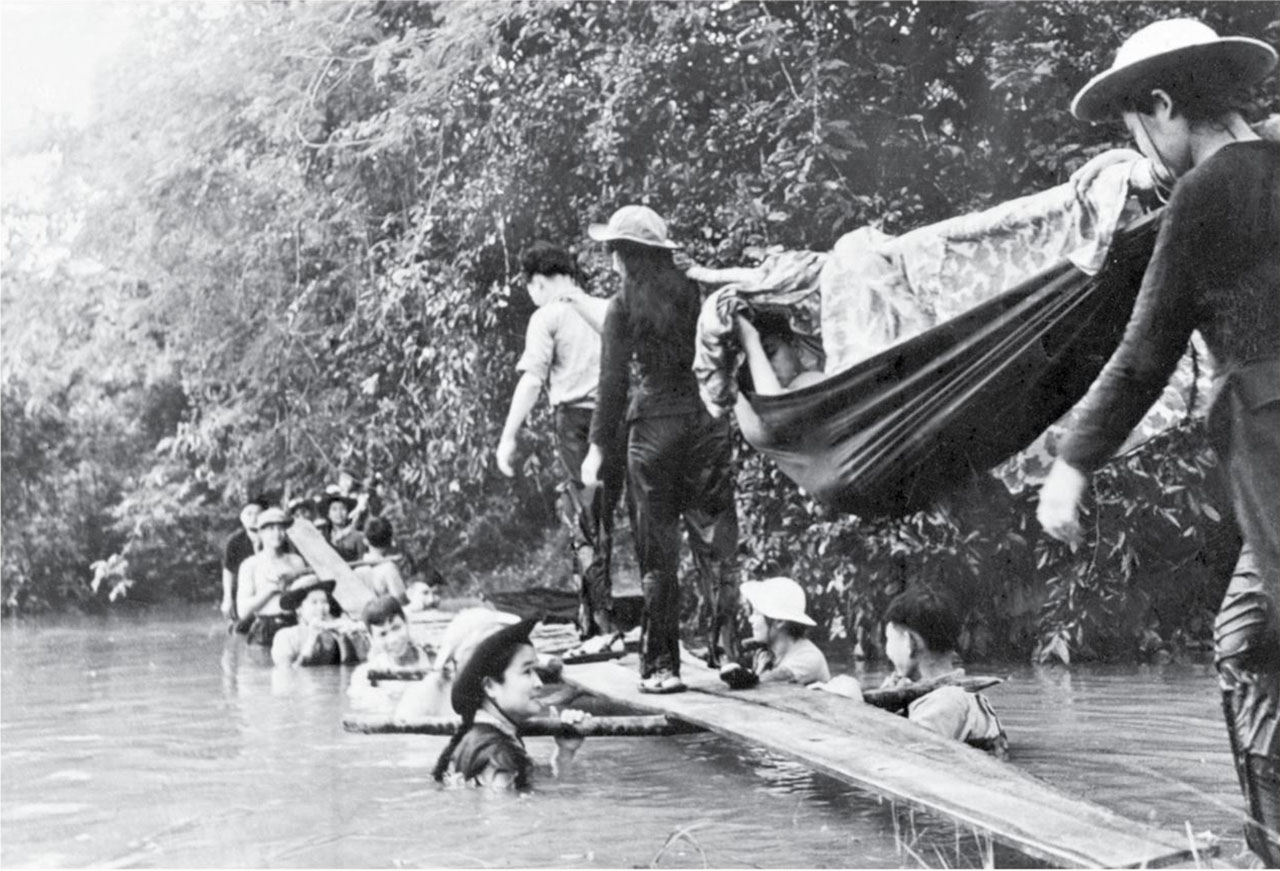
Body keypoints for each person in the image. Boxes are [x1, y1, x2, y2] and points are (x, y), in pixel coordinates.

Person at [1033, 19, 1278, 863]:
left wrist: (1071, 463)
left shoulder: (1206, 193)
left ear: (1165, 106)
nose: (1142, 150)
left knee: (1256, 645)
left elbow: (1145, 353)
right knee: (1246, 636)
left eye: (1136, 126)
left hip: (1274, 443)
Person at [582, 205, 742, 693]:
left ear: (621, 256)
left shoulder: (621, 306)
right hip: (705, 423)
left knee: (658, 556)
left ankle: (660, 668)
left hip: (653, 429)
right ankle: (729, 653)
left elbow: (612, 384)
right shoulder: (697, 292)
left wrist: (596, 450)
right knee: (716, 543)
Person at [496, 242, 625, 645]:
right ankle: (601, 618)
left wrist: (508, 436)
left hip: (575, 424)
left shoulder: (547, 316)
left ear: (538, 282)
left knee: (584, 522)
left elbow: (532, 379)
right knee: (607, 518)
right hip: (617, 419)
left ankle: (599, 626)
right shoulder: (607, 308)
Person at [820, 585, 1008, 757]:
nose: (888, 651)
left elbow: (897, 758)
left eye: (889, 639)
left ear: (909, 642)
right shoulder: (941, 694)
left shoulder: (947, 702)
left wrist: (853, 707)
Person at [432, 619, 587, 790]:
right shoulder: (497, 753)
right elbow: (507, 806)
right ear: (490, 686)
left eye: (536, 671)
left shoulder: (479, 740)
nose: (539, 683)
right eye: (526, 671)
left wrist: (564, 752)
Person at [722, 576, 830, 688]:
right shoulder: (767, 653)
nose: (750, 619)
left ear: (779, 621)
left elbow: (762, 682)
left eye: (757, 614)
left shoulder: (808, 658)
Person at [235, 507, 308, 646]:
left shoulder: (296, 561)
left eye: (281, 528)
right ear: (260, 533)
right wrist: (270, 590)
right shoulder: (250, 565)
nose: (277, 533)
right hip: (265, 630)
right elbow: (242, 611)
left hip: (294, 625)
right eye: (271, 529)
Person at [348, 596, 432, 702]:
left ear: (407, 623)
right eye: (383, 634)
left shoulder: (433, 661)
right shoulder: (366, 674)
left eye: (396, 628)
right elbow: (356, 696)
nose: (393, 640)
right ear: (372, 639)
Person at [271, 579, 368, 667]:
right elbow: (286, 672)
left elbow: (350, 667)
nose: (321, 608)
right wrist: (311, 640)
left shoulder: (333, 633)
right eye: (314, 602)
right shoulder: (284, 636)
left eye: (325, 602)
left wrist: (345, 639)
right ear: (299, 609)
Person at [221, 502, 261, 622]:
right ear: (242, 518)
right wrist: (227, 598)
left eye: (258, 513)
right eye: (249, 514)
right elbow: (228, 570)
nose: (254, 518)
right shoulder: (235, 541)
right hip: (243, 590)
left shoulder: (271, 537)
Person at [355, 517, 407, 603]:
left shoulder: (357, 570)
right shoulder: (389, 568)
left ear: (365, 541)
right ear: (390, 541)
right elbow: (401, 600)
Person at [322, 493, 366, 563]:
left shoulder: (357, 536)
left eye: (342, 509)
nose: (339, 513)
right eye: (334, 509)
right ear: (328, 514)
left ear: (348, 512)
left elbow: (362, 561)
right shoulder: (324, 535)